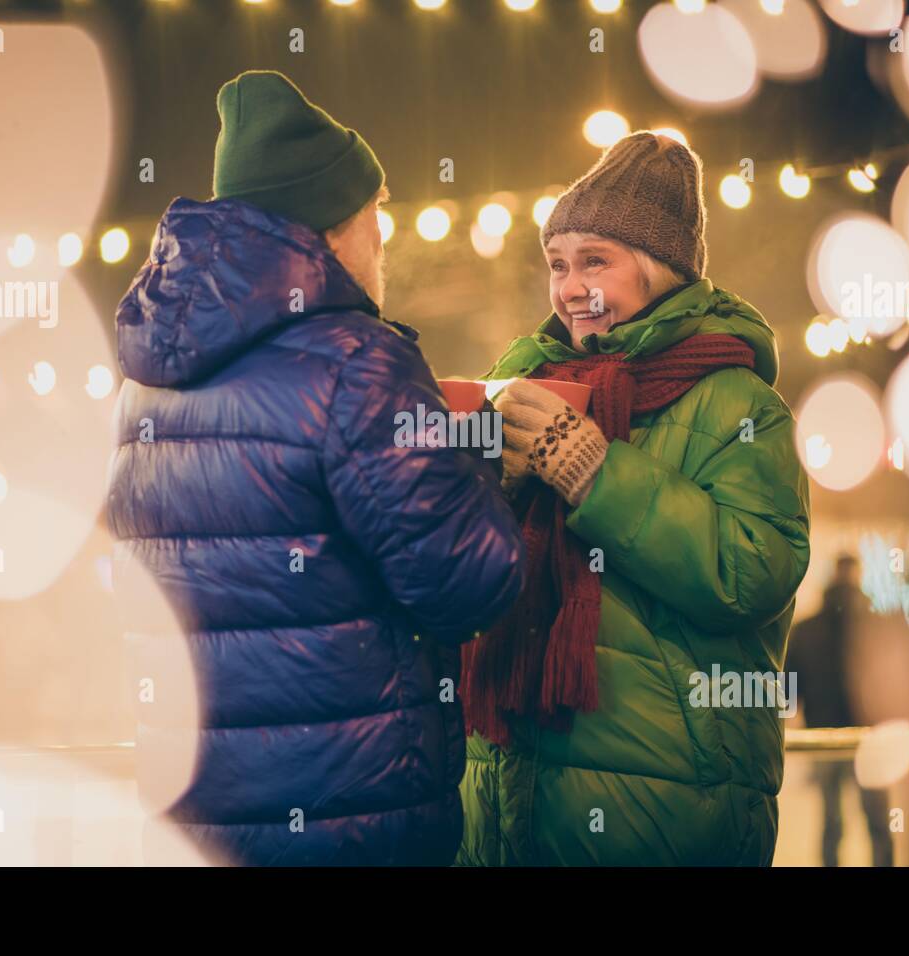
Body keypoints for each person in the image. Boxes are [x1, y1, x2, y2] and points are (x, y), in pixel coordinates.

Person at [105, 70, 524, 866]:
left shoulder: (141, 383)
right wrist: (477, 456)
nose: (383, 238)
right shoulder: (358, 364)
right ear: (332, 227)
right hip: (354, 815)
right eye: (378, 213)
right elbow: (470, 583)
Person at [457, 131, 811, 865]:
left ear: (660, 270)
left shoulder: (737, 402)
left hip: (666, 801)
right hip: (508, 783)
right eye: (557, 264)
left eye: (596, 261)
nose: (569, 286)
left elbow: (753, 573)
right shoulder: (526, 381)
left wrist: (594, 473)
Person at [785, 554, 894, 867]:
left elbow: (790, 683)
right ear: (857, 577)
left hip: (823, 738)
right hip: (870, 736)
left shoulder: (807, 628)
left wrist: (791, 716)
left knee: (831, 823)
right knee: (877, 823)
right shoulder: (875, 626)